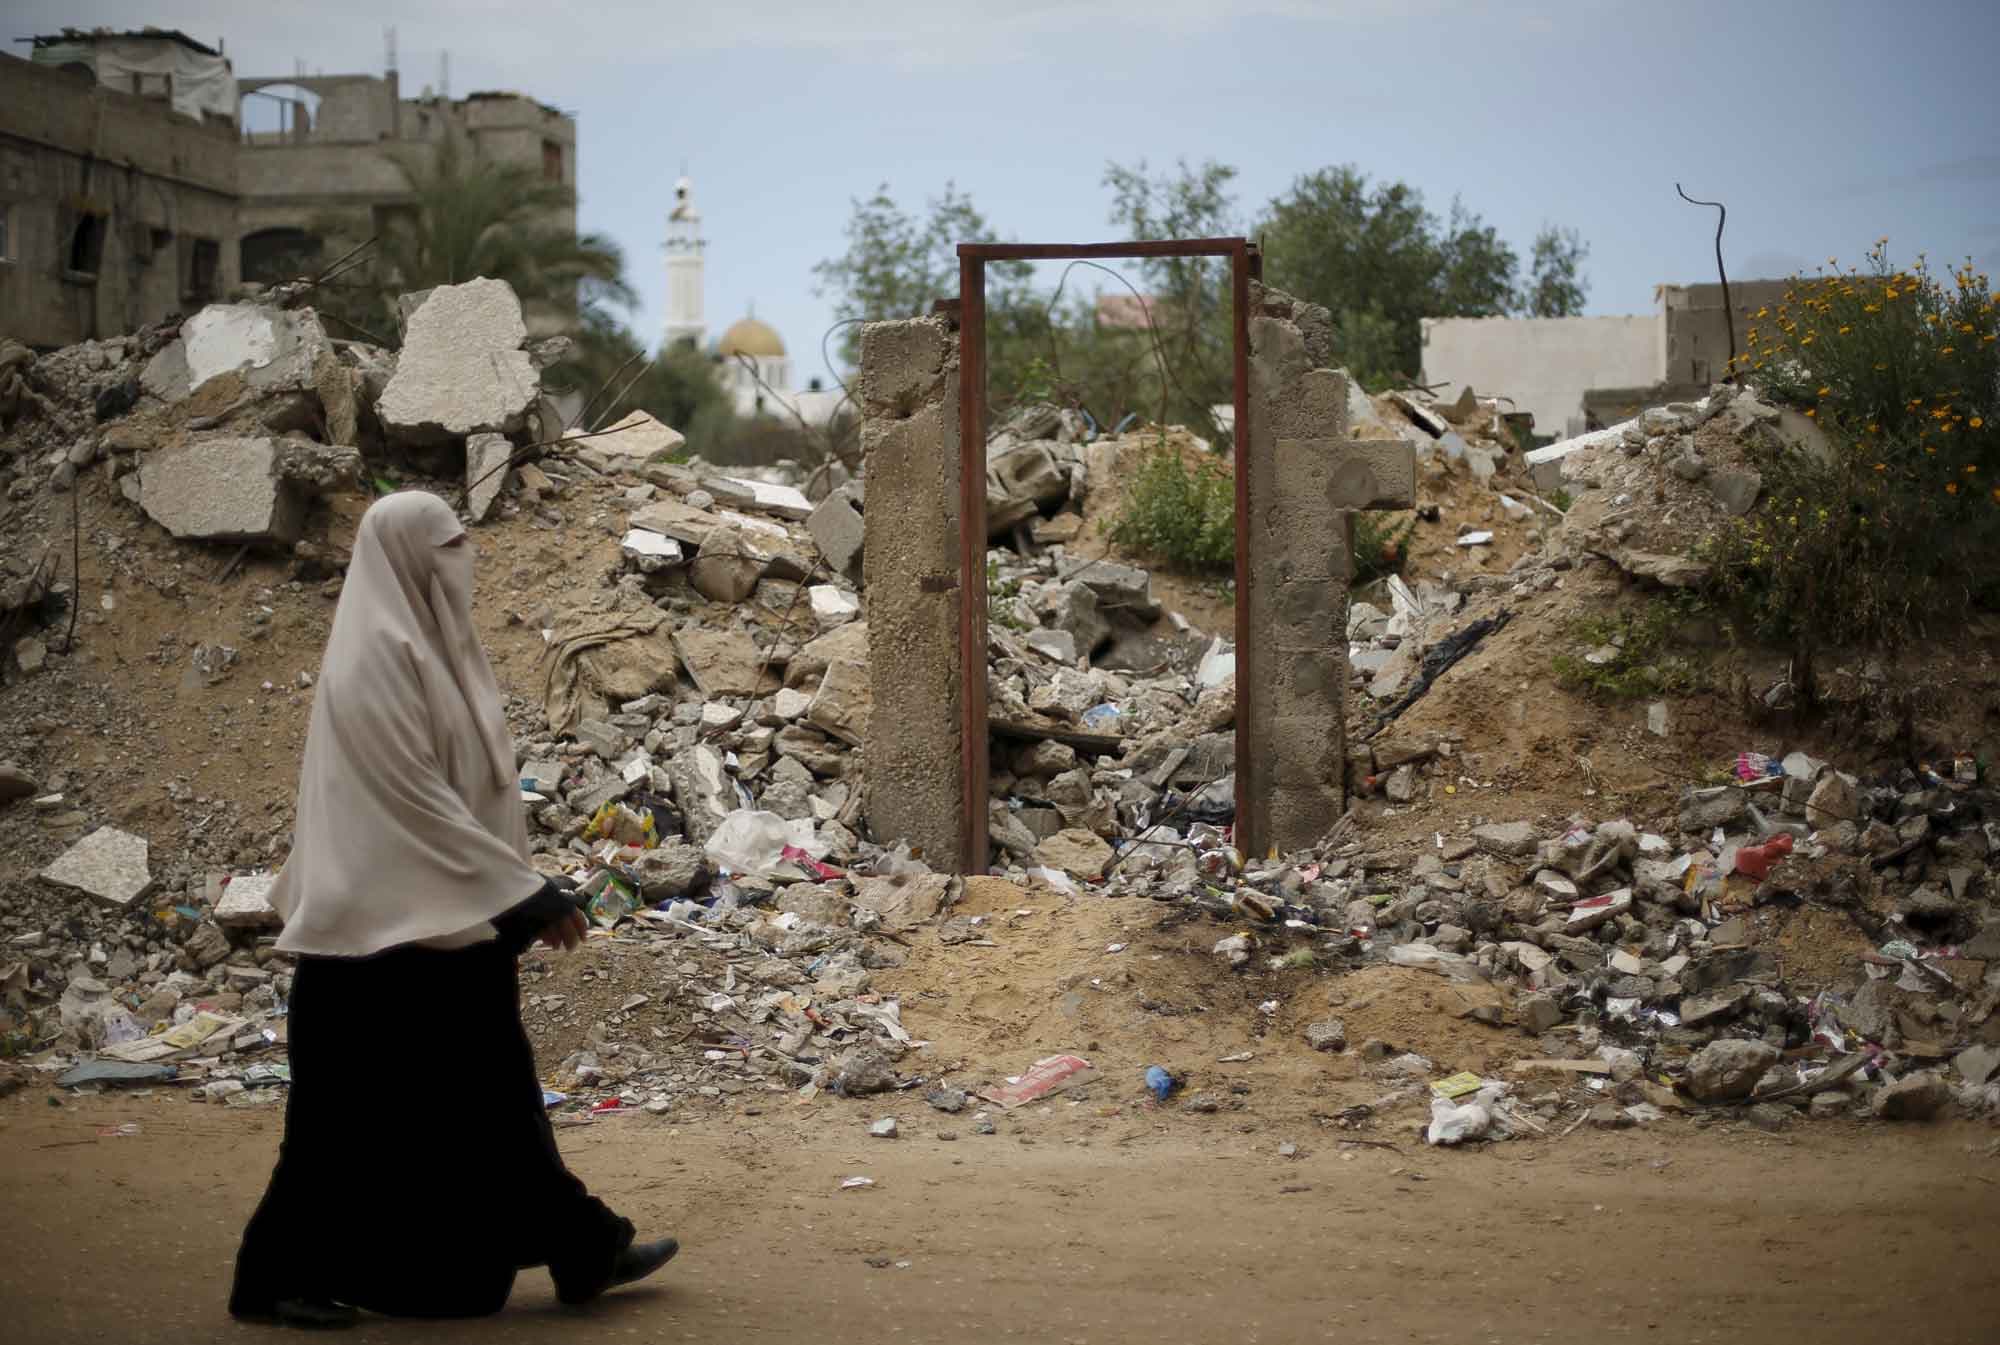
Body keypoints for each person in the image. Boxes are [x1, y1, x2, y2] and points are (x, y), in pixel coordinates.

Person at [229, 491, 676, 1329]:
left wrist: (509, 896)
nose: (464, 557)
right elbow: (414, 805)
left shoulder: (432, 650)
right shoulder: (373, 662)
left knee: (495, 1102)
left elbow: (474, 794)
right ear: (404, 555)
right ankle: (265, 1279)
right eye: (450, 543)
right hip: (365, 943)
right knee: (332, 1129)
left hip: (441, 927)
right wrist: (521, 891)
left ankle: (584, 1246)